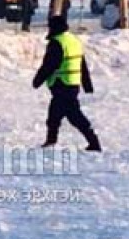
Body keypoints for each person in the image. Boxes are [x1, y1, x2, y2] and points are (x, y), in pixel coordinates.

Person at [32, 16, 101, 151]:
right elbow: (82, 64)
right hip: (72, 84)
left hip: (61, 84)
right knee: (55, 114)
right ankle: (51, 141)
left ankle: (94, 142)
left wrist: (37, 80)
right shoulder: (73, 40)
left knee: (74, 116)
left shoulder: (57, 42)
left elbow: (50, 64)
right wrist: (87, 85)